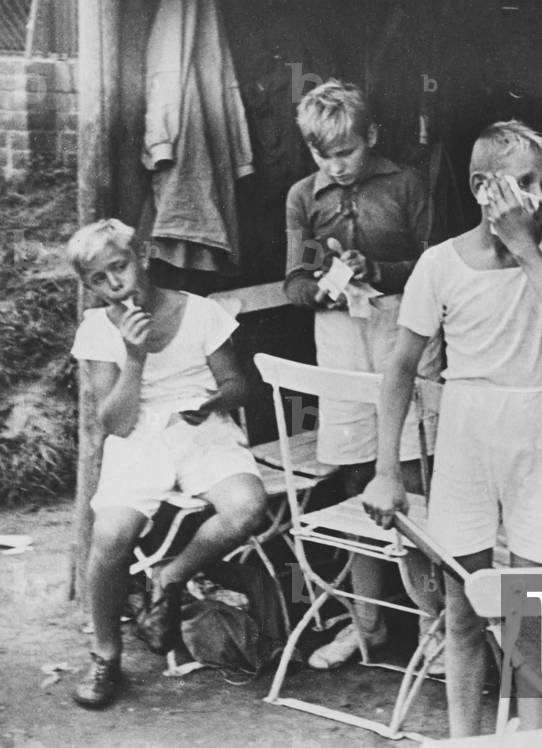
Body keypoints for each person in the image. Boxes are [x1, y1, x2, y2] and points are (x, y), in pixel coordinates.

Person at [362, 120, 542, 737]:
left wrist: (527, 248)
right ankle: (464, 737)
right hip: (468, 432)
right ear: (481, 187)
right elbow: (398, 371)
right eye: (524, 182)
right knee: (464, 607)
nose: (538, 197)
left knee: (537, 615)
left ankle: (533, 737)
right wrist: (387, 471)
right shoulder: (440, 264)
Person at [67, 219, 268, 708]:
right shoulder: (97, 329)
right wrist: (134, 358)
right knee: (111, 534)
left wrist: (213, 400)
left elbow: (240, 387)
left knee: (247, 507)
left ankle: (171, 576)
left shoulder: (199, 312)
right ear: (89, 286)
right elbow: (113, 422)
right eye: (99, 278)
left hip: (201, 426)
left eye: (121, 266)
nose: (115, 282)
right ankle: (105, 654)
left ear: (144, 257)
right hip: (137, 435)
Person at [284, 79, 443, 670]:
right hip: (340, 337)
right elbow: (292, 281)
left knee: (410, 479)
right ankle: (367, 625)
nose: (336, 165)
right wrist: (318, 289)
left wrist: (375, 267)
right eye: (323, 154)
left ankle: (437, 627)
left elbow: (434, 266)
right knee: (356, 480)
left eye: (345, 151)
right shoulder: (303, 195)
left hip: (403, 328)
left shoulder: (406, 183)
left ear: (370, 136)